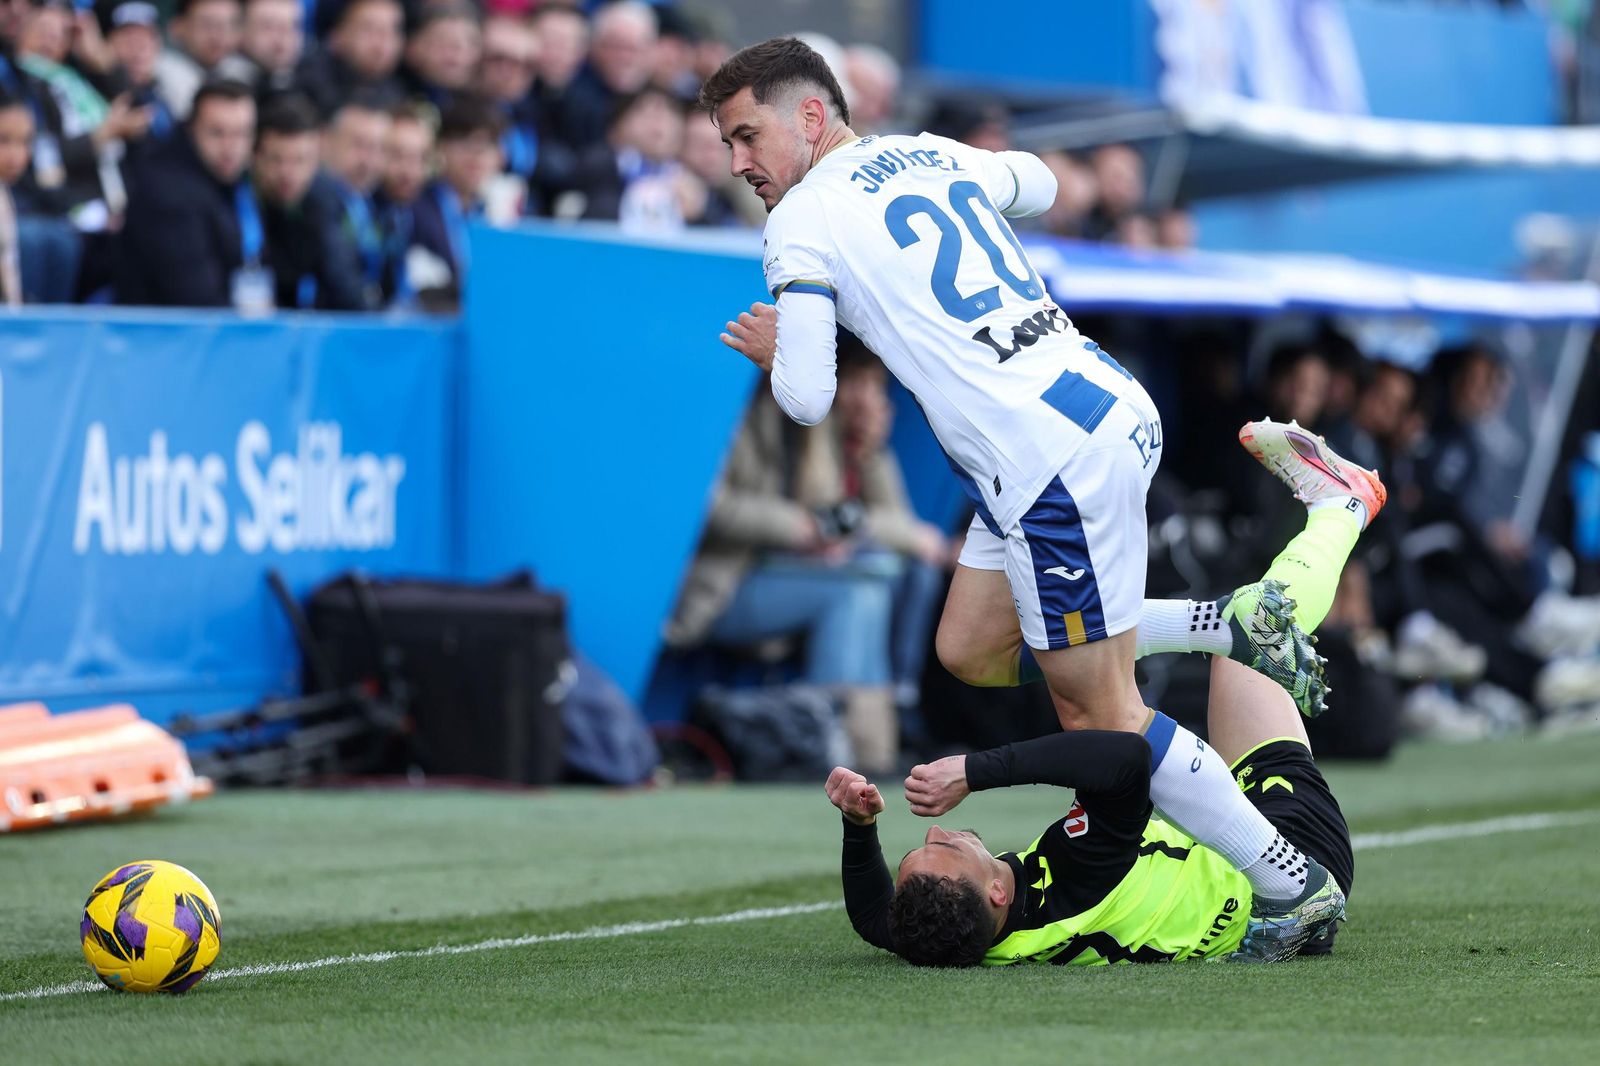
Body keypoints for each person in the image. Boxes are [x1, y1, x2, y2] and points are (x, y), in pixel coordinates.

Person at [698, 37, 1382, 957]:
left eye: (747, 136)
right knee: (973, 648)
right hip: (1086, 409)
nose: (739, 162)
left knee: (1104, 720)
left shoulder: (798, 223)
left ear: (811, 117)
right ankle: (1225, 626)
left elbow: (812, 396)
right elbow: (1043, 186)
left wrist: (783, 351)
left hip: (1046, 462)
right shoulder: (930, 153)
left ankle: (1292, 887)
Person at [828, 427, 1375, 965]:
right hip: (1288, 856)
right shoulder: (1076, 876)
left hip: (1221, 841)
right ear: (996, 894)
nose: (936, 830)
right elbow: (1122, 756)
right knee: (1248, 644)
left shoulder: (952, 929)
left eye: (916, 850)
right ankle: (1341, 508)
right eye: (944, 848)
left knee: (983, 655)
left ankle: (1219, 617)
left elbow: (878, 918)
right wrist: (976, 772)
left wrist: (860, 828)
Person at [114, 77, 258, 307]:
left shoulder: (236, 183)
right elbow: (198, 301)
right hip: (159, 337)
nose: (231, 147)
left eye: (242, 134)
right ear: (192, 129)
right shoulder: (168, 194)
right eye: (217, 133)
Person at [252, 92, 365, 310]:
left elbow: (345, 289)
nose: (287, 173)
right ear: (256, 157)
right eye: (276, 159)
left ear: (316, 160)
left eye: (299, 160)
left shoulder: (326, 204)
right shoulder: (237, 204)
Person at [321, 94, 391, 307]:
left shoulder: (378, 203)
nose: (368, 160)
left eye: (377, 148)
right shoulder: (318, 202)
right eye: (359, 145)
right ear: (327, 142)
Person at [293, 0, 405, 118]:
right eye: (369, 29)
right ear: (336, 35)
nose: (382, 44)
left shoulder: (397, 94)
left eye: (393, 30)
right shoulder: (304, 88)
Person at [372, 101, 432, 306]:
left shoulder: (414, 212)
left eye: (419, 159)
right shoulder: (357, 210)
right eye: (397, 156)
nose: (409, 171)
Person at [154, 0, 250, 120]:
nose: (218, 35)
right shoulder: (155, 73)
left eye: (228, 25)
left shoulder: (246, 72)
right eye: (207, 24)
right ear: (177, 27)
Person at [236, 0, 304, 103]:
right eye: (268, 27)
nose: (282, 37)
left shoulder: (311, 82)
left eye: (292, 27)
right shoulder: (226, 81)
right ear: (243, 31)